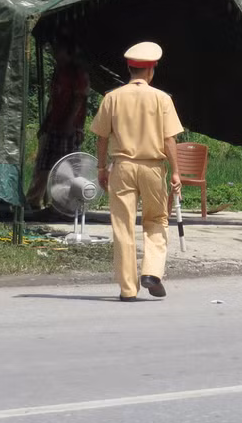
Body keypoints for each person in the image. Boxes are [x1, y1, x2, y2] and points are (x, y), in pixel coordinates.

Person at [91, 41, 183, 301]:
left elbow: (101, 138)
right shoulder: (162, 98)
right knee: (156, 220)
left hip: (122, 167)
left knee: (123, 226)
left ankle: (128, 289)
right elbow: (169, 140)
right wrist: (175, 172)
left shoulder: (112, 97)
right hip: (152, 167)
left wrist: (101, 168)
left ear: (129, 69)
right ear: (151, 70)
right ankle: (151, 272)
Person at [26, 37, 89, 209]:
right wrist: (46, 124)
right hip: (54, 124)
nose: (55, 55)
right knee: (44, 163)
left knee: (65, 166)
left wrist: (70, 122)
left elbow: (78, 99)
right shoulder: (58, 71)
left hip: (69, 127)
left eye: (58, 51)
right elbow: (53, 100)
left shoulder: (77, 73)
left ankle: (61, 203)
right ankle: (34, 200)